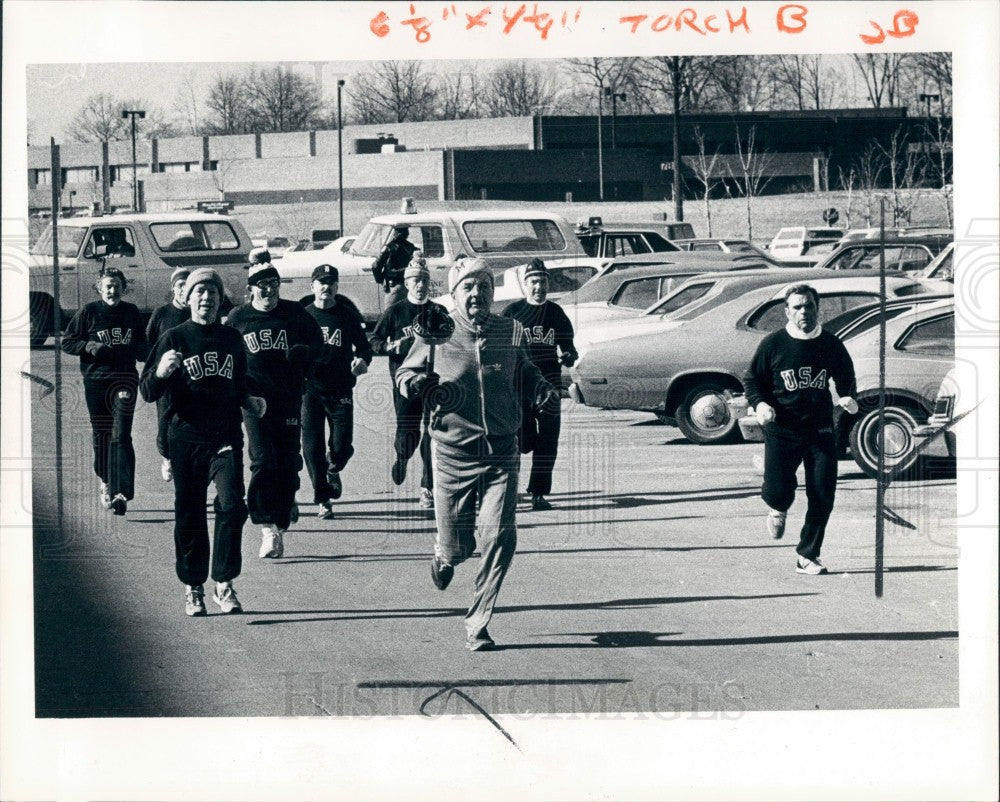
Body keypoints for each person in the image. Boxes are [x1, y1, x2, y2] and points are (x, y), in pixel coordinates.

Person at [396, 258, 556, 651]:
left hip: (502, 450)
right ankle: (446, 553)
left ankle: (477, 623)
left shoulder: (510, 329)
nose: (476, 294)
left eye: (484, 286)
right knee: (458, 547)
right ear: (454, 295)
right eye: (467, 287)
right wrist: (416, 382)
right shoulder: (437, 331)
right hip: (452, 453)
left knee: (501, 537)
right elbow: (403, 375)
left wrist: (539, 388)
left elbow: (525, 369)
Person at [140, 268, 265, 616]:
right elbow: (148, 390)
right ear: (188, 298)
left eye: (212, 293)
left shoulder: (230, 339)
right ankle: (193, 585)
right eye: (199, 293)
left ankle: (223, 583)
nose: (206, 299)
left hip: (225, 436)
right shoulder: (174, 338)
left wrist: (251, 401)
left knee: (231, 506)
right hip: (186, 438)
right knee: (190, 511)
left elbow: (240, 384)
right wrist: (162, 371)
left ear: (219, 299)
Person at [742, 284, 859, 575]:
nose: (804, 311)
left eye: (809, 305)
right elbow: (752, 380)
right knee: (778, 489)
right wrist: (760, 405)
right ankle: (778, 506)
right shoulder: (773, 344)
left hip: (819, 429)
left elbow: (846, 376)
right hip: (782, 428)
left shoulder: (831, 344)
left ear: (817, 308)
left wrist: (847, 396)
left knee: (823, 493)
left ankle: (807, 554)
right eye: (797, 307)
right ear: (787, 311)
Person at [226, 256, 323, 559]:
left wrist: (305, 356)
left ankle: (283, 506)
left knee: (287, 460)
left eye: (273, 284)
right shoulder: (238, 318)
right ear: (251, 289)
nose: (268, 291)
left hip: (289, 396)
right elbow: (226, 352)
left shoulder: (295, 313)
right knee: (262, 459)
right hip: (254, 400)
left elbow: (318, 346)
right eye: (262, 286)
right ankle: (268, 527)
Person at [61, 265, 147, 516]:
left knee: (121, 434)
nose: (112, 291)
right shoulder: (88, 312)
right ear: (99, 288)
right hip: (96, 381)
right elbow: (67, 341)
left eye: (117, 287)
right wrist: (88, 345)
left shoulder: (131, 312)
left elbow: (142, 344)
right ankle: (106, 481)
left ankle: (122, 492)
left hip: (125, 379)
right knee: (102, 434)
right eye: (108, 286)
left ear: (124, 288)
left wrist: (144, 352)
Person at [370, 258, 450, 508]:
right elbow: (374, 341)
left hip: (433, 381)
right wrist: (391, 346)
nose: (421, 285)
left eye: (425, 280)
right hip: (405, 382)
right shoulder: (395, 312)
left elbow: (451, 340)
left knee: (433, 433)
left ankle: (428, 486)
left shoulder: (438, 311)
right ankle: (402, 457)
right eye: (416, 280)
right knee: (409, 433)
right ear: (406, 283)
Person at [502, 258, 578, 511]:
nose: (538, 287)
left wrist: (569, 356)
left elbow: (569, 348)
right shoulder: (512, 313)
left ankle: (538, 493)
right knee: (520, 441)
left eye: (543, 282)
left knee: (548, 442)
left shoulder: (556, 313)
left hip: (549, 387)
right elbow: (499, 348)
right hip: (519, 387)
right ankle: (510, 488)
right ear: (525, 285)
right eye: (534, 282)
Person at [301, 264, 373, 519]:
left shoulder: (347, 316)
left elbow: (365, 348)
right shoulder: (304, 316)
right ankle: (323, 498)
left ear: (336, 287)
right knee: (311, 447)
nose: (326, 287)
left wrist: (362, 361)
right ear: (312, 287)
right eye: (321, 282)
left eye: (331, 282)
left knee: (342, 446)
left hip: (340, 388)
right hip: (310, 390)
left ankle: (334, 468)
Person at [145, 267, 191, 482]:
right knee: (165, 425)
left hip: (192, 377)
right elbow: (150, 342)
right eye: (180, 285)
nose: (184, 289)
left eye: (187, 284)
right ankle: (167, 458)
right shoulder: (161, 313)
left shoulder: (198, 312)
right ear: (173, 288)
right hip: (166, 379)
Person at [372, 224, 416, 307]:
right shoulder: (411, 247)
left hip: (393, 285)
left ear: (395, 233)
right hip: (409, 286)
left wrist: (381, 280)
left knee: (389, 314)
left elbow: (375, 266)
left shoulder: (389, 248)